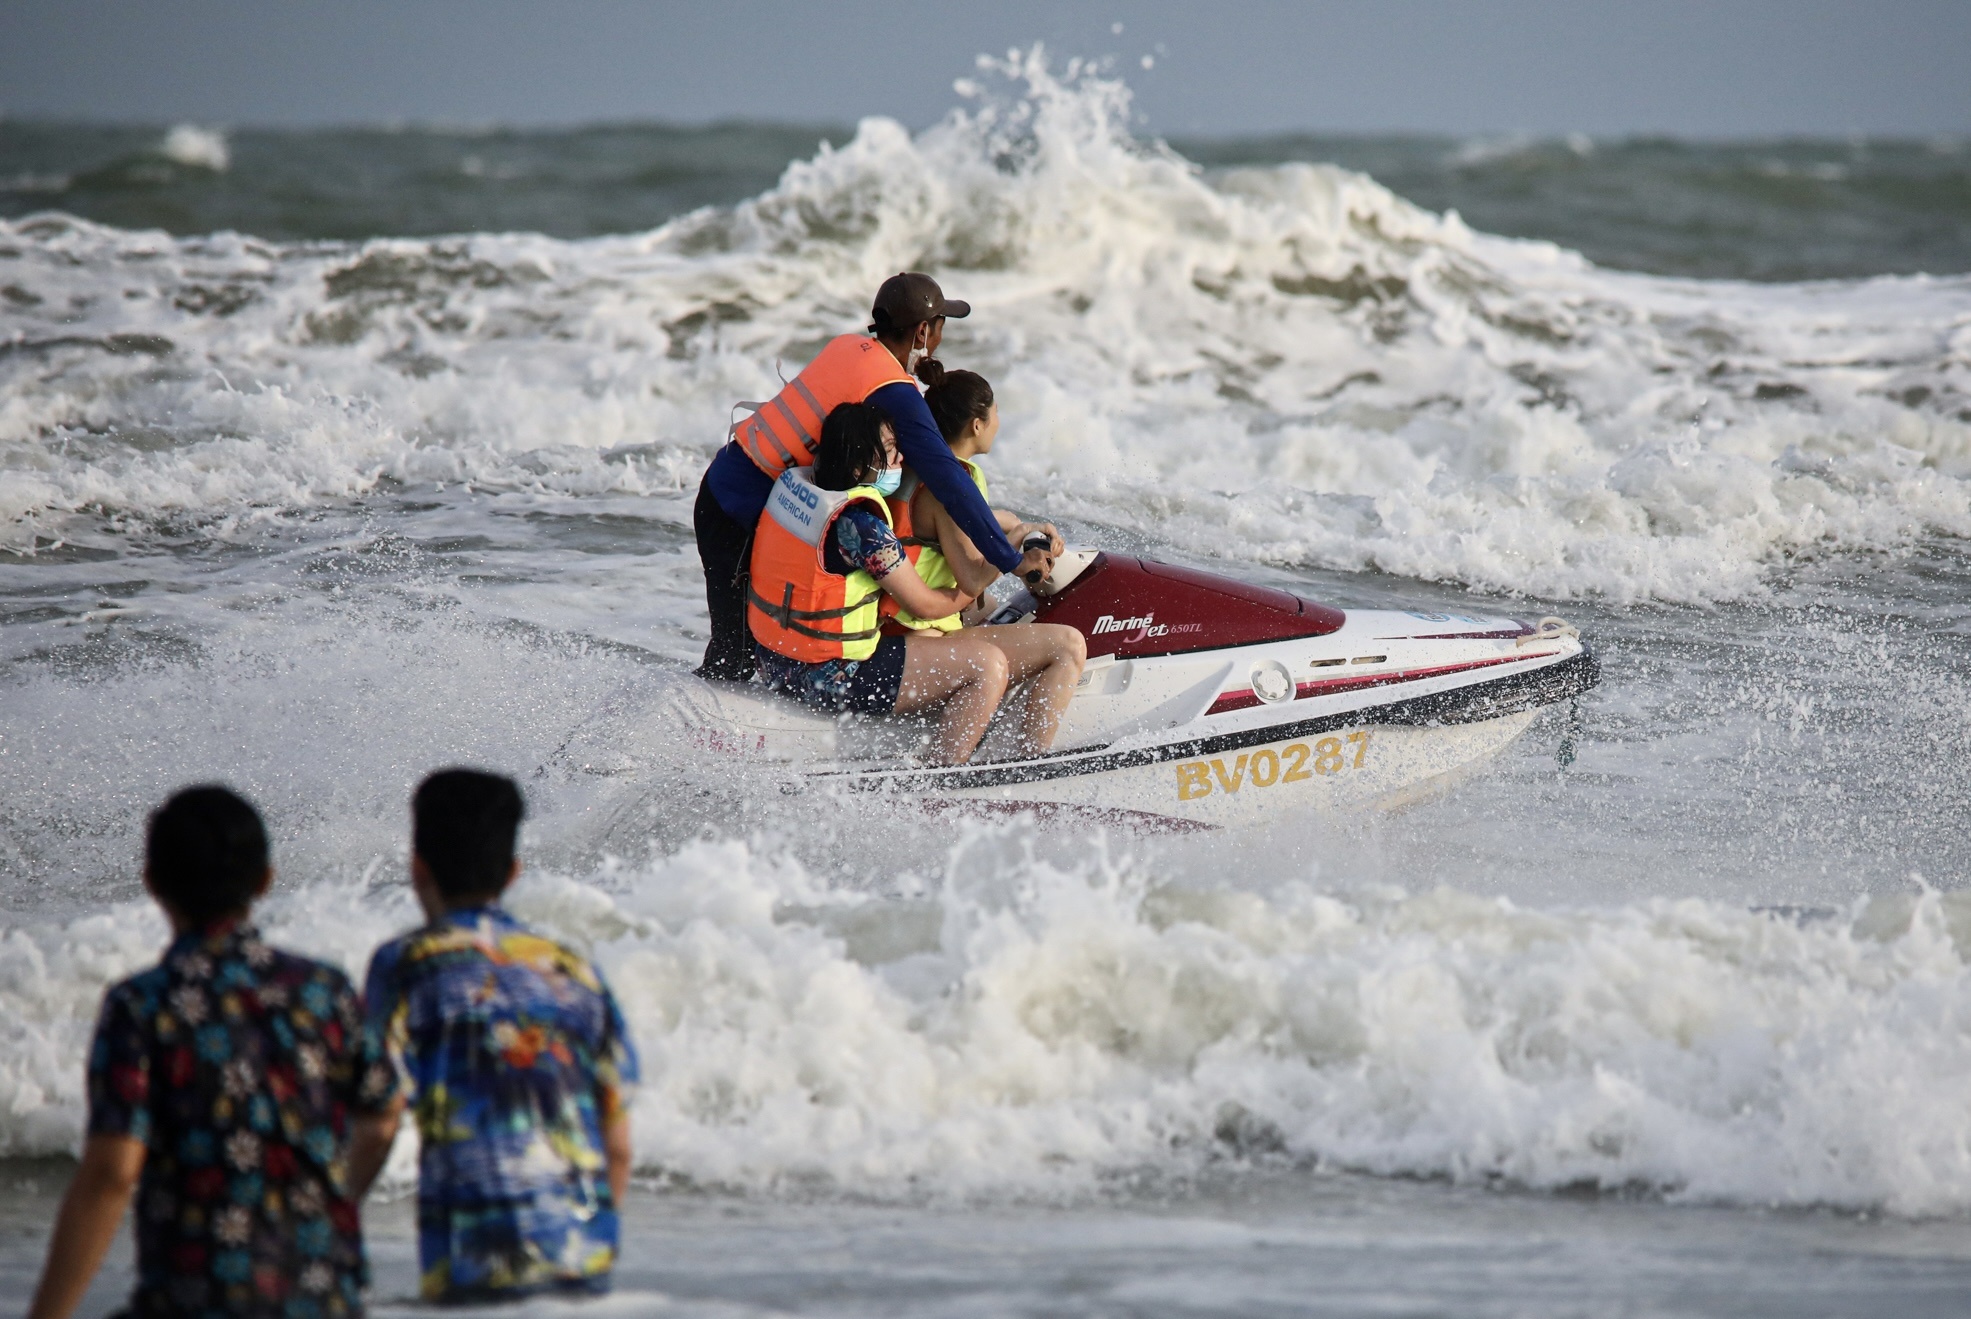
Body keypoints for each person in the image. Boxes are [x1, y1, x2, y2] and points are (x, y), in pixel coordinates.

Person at [28, 786, 396, 1319]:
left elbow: (112, 1173)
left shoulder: (144, 1003)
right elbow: (383, 1116)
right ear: (265, 881)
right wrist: (334, 1206)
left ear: (152, 882)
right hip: (323, 1298)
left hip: (194, 1298)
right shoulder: (322, 991)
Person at [350, 769, 637, 1304]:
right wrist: (592, 1243)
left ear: (418, 869)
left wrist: (332, 1216)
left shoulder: (407, 962)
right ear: (513, 871)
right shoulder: (574, 968)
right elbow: (616, 1143)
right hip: (583, 1261)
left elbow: (380, 1117)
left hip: (472, 1262)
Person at [693, 271, 1053, 683]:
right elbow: (951, 483)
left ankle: (730, 720)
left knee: (736, 649)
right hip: (737, 513)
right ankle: (714, 736)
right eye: (939, 329)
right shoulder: (894, 391)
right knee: (734, 657)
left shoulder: (849, 347)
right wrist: (1010, 559)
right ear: (922, 331)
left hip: (723, 486)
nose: (939, 339)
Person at [748, 402, 1085, 765]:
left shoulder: (799, 489)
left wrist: (1010, 533)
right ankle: (942, 776)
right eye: (891, 451)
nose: (900, 459)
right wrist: (993, 569)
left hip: (774, 659)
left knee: (1054, 639)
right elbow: (926, 606)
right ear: (860, 466)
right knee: (986, 665)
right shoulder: (864, 530)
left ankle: (1024, 766)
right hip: (831, 676)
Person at [885, 367, 1088, 754]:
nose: (999, 423)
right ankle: (1027, 762)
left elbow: (972, 525)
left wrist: (1022, 524)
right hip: (921, 634)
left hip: (910, 620)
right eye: (996, 414)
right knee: (1068, 645)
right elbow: (971, 580)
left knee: (999, 608)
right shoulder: (948, 488)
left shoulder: (927, 466)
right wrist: (1012, 545)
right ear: (977, 425)